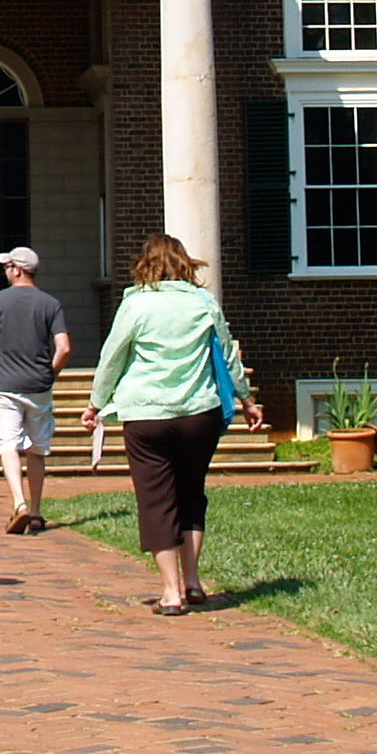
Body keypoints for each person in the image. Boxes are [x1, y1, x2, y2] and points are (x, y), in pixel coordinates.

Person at [83, 232, 263, 616]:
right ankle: (194, 581)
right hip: (200, 413)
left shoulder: (136, 305)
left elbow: (112, 357)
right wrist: (247, 400)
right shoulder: (202, 302)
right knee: (191, 494)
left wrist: (96, 404)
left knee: (156, 500)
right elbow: (229, 355)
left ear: (144, 265)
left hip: (146, 415)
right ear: (185, 263)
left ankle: (171, 592)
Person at [0, 245, 72, 535]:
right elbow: (64, 347)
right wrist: (50, 373)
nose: (6, 271)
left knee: (8, 444)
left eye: (8, 266)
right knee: (37, 450)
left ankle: (19, 503)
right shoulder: (51, 304)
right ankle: (35, 512)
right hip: (39, 388)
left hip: (7, 387)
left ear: (17, 270)